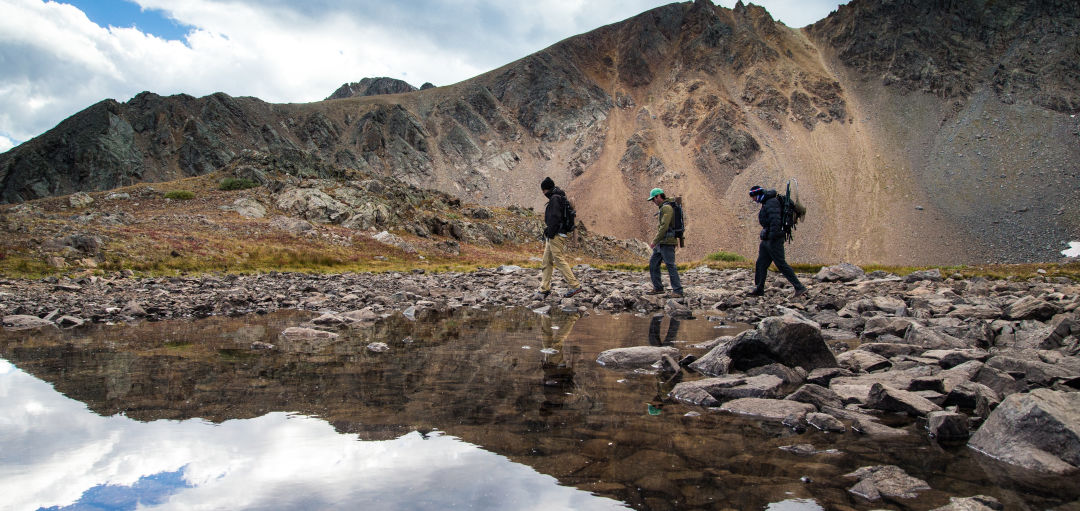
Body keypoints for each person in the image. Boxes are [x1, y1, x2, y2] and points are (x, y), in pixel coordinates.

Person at [748, 185, 807, 297]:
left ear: (758, 194)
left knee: (781, 263)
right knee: (761, 263)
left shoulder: (771, 203)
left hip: (773, 239)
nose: (753, 199)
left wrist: (770, 236)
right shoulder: (767, 202)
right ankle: (759, 288)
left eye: (753, 197)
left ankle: (799, 287)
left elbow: (775, 222)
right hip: (768, 239)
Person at [535, 177, 583, 299]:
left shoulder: (555, 199)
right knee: (546, 261)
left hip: (556, 235)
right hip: (554, 235)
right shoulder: (558, 197)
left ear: (547, 189)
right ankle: (544, 288)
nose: (543, 193)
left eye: (543, 190)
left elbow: (555, 218)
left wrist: (550, 233)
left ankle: (575, 285)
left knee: (559, 260)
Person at [646, 187, 683, 298]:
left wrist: (654, 241)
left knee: (670, 265)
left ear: (658, 196)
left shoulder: (666, 208)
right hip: (662, 243)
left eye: (653, 199)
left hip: (667, 242)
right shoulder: (663, 208)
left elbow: (664, 226)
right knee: (653, 263)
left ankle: (678, 291)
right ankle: (658, 288)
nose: (653, 202)